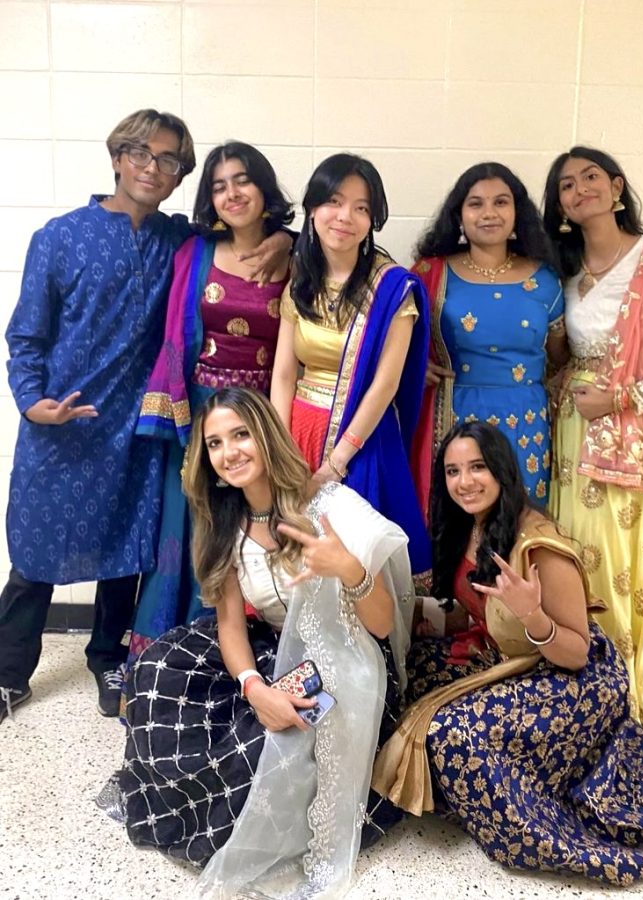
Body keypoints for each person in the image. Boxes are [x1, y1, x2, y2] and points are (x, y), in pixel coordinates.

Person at [0, 111, 292, 725]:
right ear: (115, 156)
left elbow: (241, 238)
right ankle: (7, 674)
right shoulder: (59, 237)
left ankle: (108, 658)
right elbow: (25, 336)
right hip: (62, 426)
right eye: (140, 153)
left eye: (168, 161)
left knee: (125, 550)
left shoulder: (177, 241)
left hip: (138, 430)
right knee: (36, 554)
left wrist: (285, 239)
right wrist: (31, 401)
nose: (151, 168)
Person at [372, 422, 643, 885]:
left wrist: (533, 614)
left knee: (451, 732)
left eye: (478, 467)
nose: (465, 481)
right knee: (406, 673)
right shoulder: (470, 527)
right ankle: (464, 796)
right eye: (453, 470)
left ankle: (531, 827)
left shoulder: (541, 543)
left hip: (573, 676)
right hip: (511, 658)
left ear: (502, 470)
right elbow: (478, 611)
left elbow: (576, 651)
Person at [106, 387, 414, 898]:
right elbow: (230, 625)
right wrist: (254, 688)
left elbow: (380, 627)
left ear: (266, 436)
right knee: (156, 669)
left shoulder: (332, 506)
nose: (230, 452)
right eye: (216, 443)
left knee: (263, 754)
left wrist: (349, 569)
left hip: (345, 659)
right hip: (273, 645)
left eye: (241, 434)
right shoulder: (224, 520)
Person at [542, 146, 643, 753]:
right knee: (576, 559)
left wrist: (621, 399)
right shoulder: (564, 274)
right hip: (570, 434)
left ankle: (631, 699)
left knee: (624, 563)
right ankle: (585, 698)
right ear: (558, 207)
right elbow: (559, 356)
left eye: (590, 178)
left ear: (616, 188)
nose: (578, 189)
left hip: (630, 442)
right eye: (565, 185)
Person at [127, 142, 293, 666]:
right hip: (199, 413)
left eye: (242, 180)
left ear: (263, 186)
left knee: (248, 529)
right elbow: (176, 336)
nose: (232, 193)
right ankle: (168, 657)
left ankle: (242, 657)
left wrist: (291, 239)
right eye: (218, 186)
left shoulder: (297, 255)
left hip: (262, 417)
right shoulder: (194, 251)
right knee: (187, 529)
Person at [270, 153, 431, 583]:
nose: (346, 217)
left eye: (361, 208)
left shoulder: (393, 287)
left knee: (352, 558)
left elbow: (386, 383)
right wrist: (282, 451)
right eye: (335, 202)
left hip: (361, 438)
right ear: (313, 209)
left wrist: (335, 464)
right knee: (297, 552)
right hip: (299, 429)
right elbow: (285, 373)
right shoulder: (300, 277)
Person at [411, 162, 568, 513]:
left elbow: (561, 358)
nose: (489, 213)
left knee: (521, 519)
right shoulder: (430, 273)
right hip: (454, 415)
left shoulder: (544, 278)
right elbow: (390, 343)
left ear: (516, 211)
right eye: (476, 203)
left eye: (500, 202)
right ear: (459, 215)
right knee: (455, 522)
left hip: (526, 417)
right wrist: (413, 370)